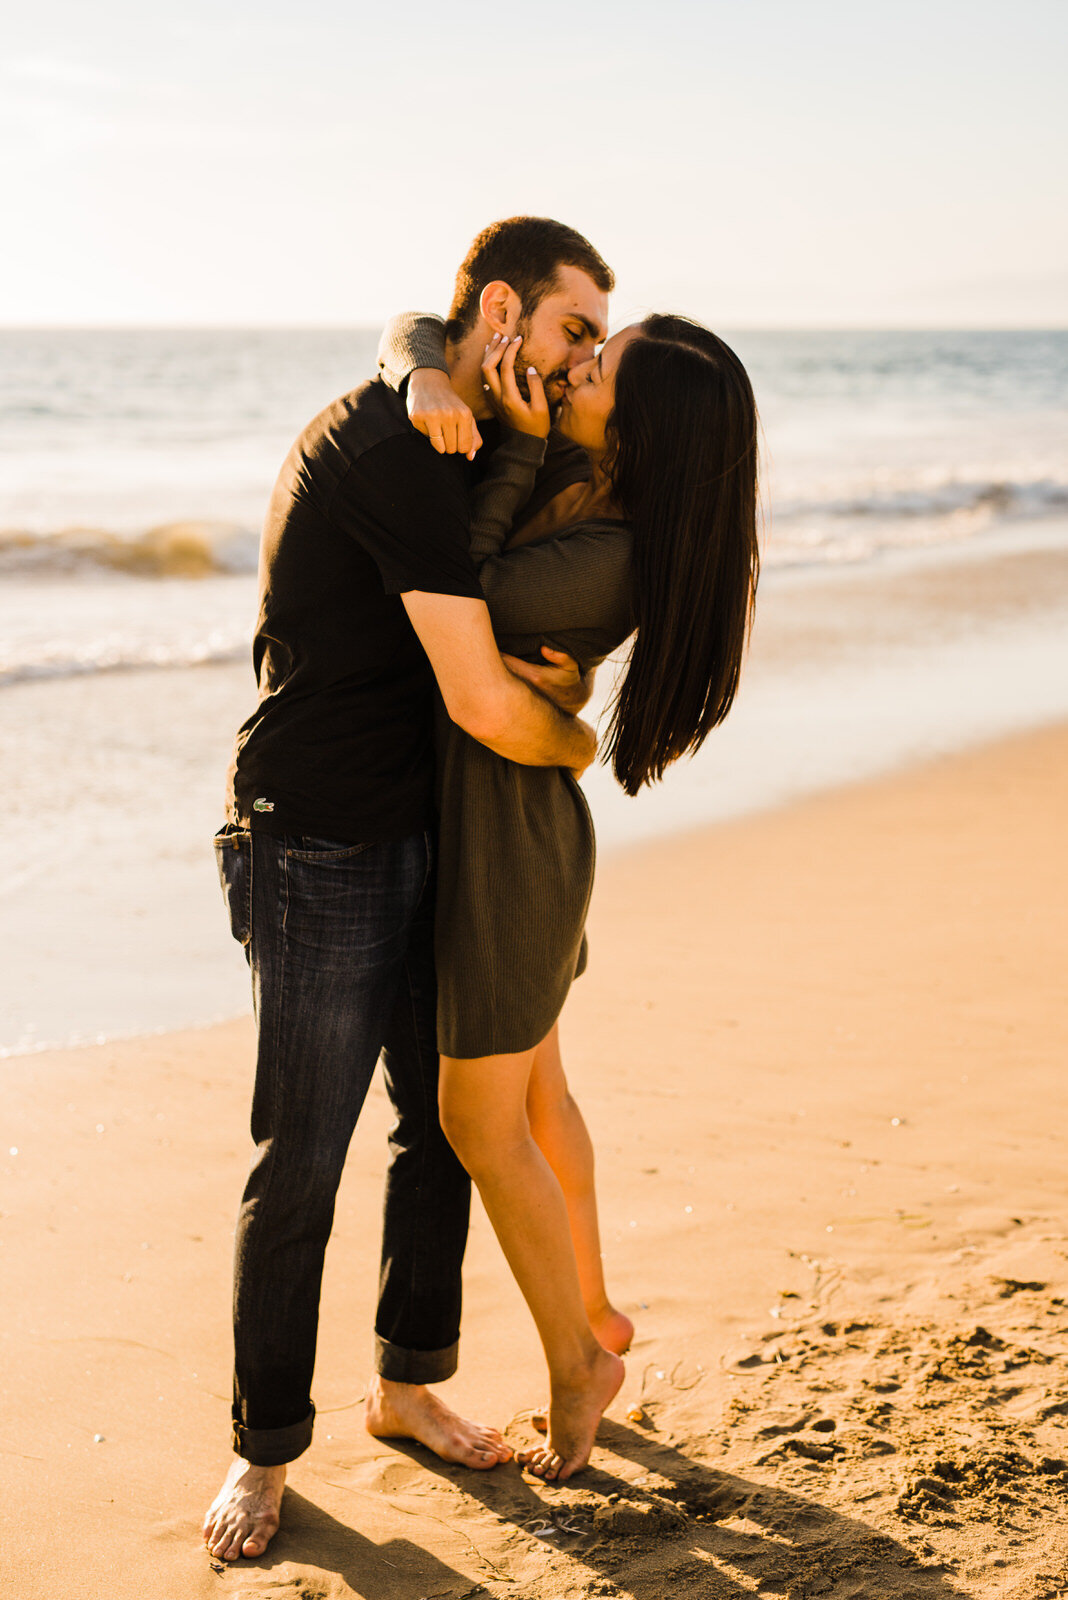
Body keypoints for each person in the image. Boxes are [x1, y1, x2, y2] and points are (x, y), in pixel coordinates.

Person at [202, 217, 616, 1564]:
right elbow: (488, 698)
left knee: (439, 1127)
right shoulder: (399, 451)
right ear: (501, 313)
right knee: (303, 1153)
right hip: (312, 839)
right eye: (569, 332)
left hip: (421, 832)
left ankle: (406, 1383)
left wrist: (427, 358)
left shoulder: (462, 418)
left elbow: (419, 340)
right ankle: (263, 1452)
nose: (575, 364)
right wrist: (579, 741)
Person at [376, 311, 760, 1481]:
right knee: (540, 1097)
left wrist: (524, 456)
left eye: (603, 365)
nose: (577, 366)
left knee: (476, 1120)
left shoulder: (611, 542)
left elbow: (464, 583)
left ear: (637, 426)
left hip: (509, 853)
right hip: (524, 831)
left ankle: (572, 1368)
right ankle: (595, 1313)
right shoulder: (616, 514)